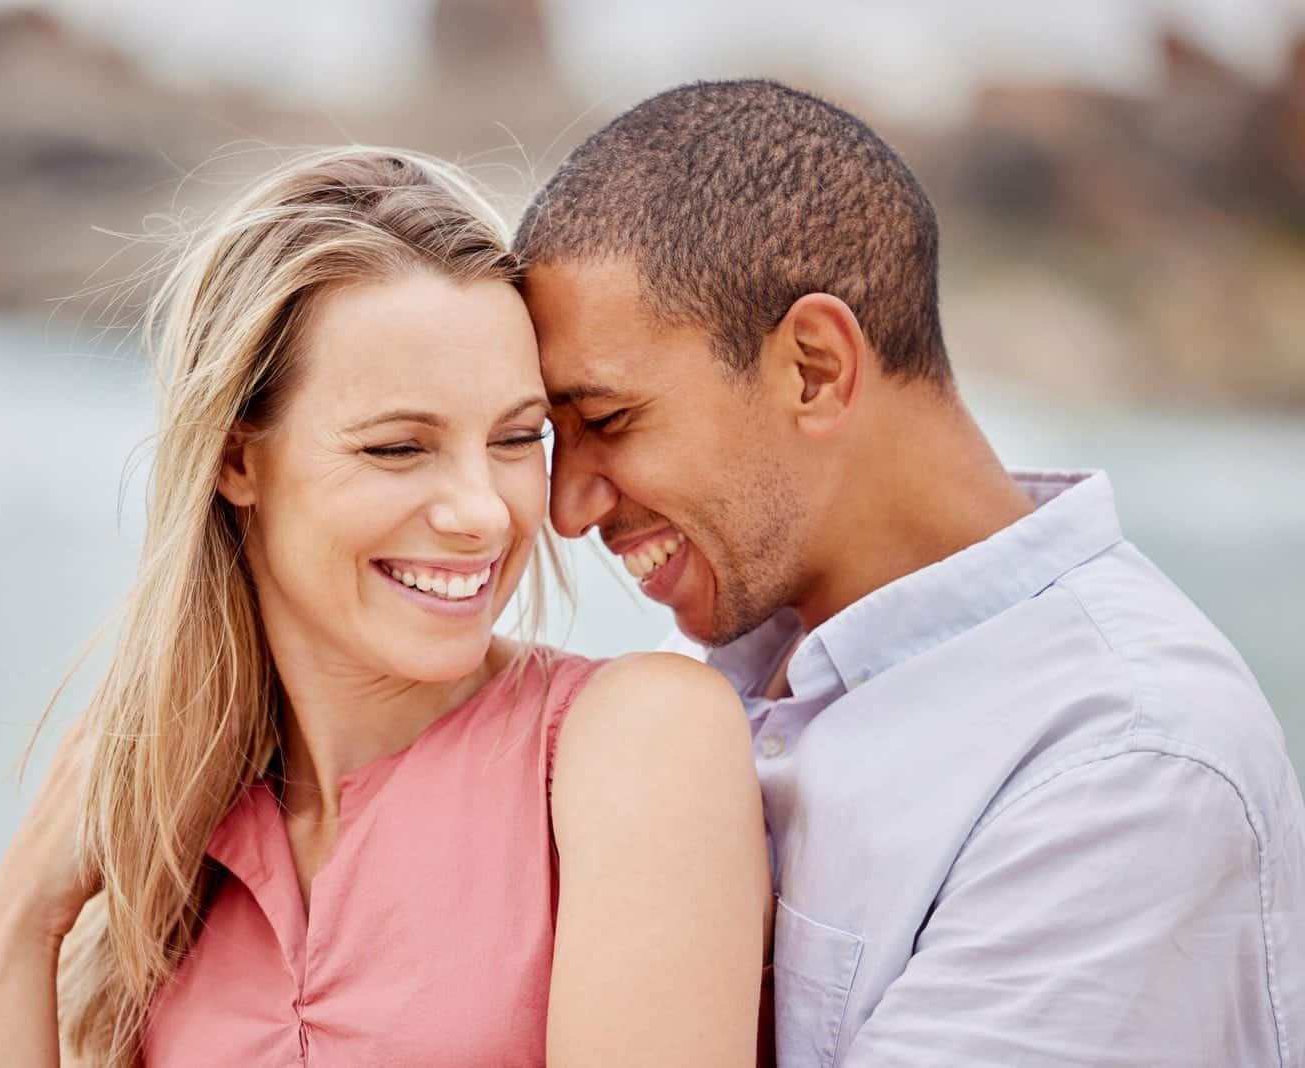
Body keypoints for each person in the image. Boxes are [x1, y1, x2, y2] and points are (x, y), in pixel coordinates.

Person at [515, 79, 1305, 1067]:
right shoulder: (710, 670)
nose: (566, 505)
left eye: (607, 421)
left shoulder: (1125, 763)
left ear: (813, 368)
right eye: (547, 437)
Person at [0, 148, 770, 1067]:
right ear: (237, 460)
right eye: (397, 448)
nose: (482, 511)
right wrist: (16, 933)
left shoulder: (637, 741)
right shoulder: (174, 852)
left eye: (514, 438)